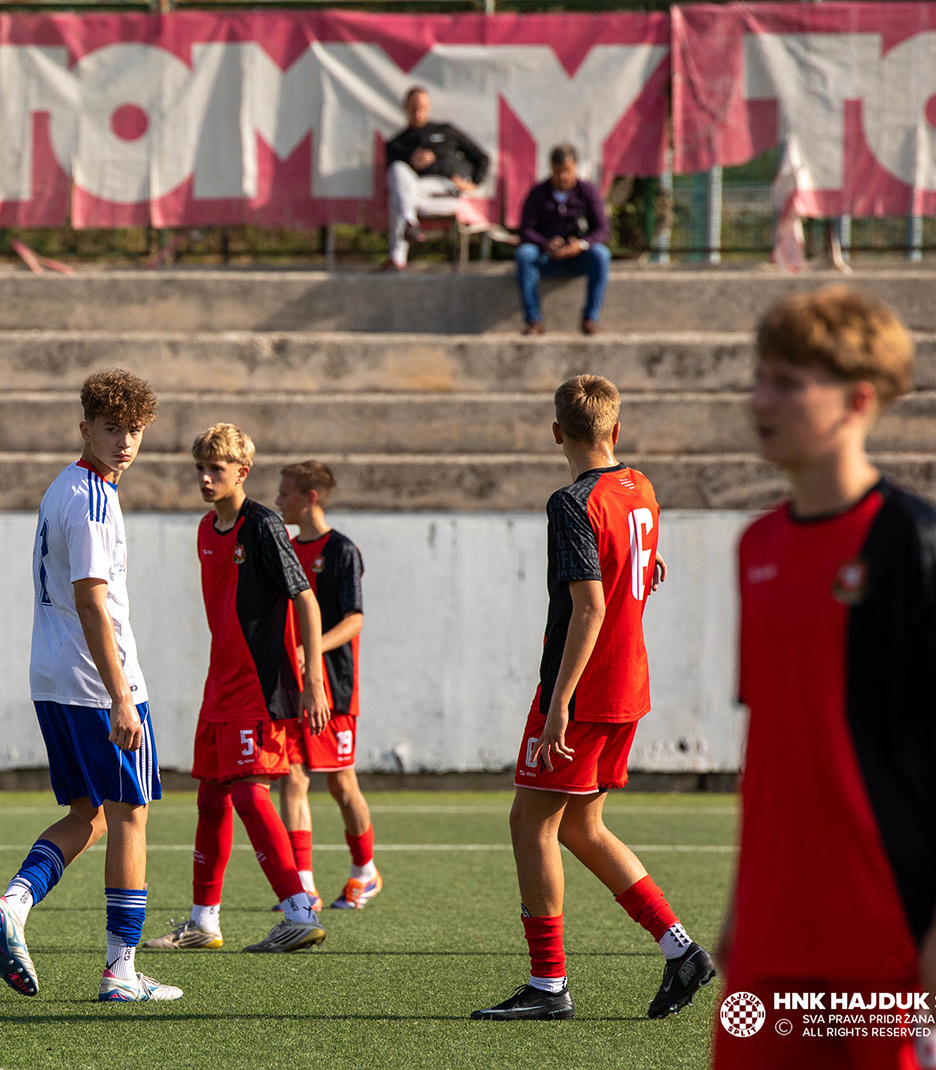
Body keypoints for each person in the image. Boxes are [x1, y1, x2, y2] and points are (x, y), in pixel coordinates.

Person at [714, 287, 936, 1069]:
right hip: (777, 938)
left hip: (900, 933)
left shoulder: (920, 542)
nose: (759, 399)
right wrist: (744, 907)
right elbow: (777, 745)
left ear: (855, 399)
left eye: (786, 382)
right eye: (759, 378)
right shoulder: (755, 548)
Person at [474, 374, 714, 1023]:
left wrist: (557, 707)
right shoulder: (639, 485)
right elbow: (636, 552)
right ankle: (680, 949)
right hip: (627, 683)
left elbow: (589, 606)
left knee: (529, 824)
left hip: (582, 689)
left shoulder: (568, 502)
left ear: (556, 433)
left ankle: (547, 987)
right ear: (616, 429)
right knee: (580, 825)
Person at [0, 369, 183, 1004]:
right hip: (98, 682)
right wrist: (121, 695)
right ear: (85, 428)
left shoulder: (63, 486)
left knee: (87, 817)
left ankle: (12, 905)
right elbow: (91, 599)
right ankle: (120, 972)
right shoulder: (93, 497)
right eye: (112, 428)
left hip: (54, 676)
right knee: (130, 816)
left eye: (134, 430)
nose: (124, 441)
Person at [144, 424, 331, 954]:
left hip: (259, 686)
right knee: (209, 798)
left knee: (250, 791)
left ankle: (298, 910)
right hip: (218, 686)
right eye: (200, 469)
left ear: (242, 473)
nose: (205, 478)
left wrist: (312, 683)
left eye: (216, 469)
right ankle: (204, 922)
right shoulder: (206, 529)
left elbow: (306, 601)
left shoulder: (265, 525)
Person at [272, 461, 381, 911]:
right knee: (293, 780)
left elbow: (353, 619)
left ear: (311, 496)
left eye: (285, 494)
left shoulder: (341, 551)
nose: (278, 502)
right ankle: (303, 887)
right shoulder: (288, 549)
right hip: (293, 689)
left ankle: (365, 871)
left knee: (340, 784)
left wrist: (311, 651)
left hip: (332, 688)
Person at [381, 85, 496, 272]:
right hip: (419, 196)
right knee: (397, 171)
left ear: (429, 107)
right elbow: (395, 180)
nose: (418, 111)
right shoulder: (397, 144)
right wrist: (411, 161)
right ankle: (409, 221)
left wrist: (472, 182)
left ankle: (399, 252)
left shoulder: (446, 131)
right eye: (414, 107)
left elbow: (482, 157)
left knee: (400, 199)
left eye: (422, 106)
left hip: (448, 191)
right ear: (405, 107)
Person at [514, 144, 611, 336]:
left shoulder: (588, 192)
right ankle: (534, 320)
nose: (563, 177)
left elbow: (603, 230)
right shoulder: (538, 193)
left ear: (575, 167)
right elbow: (525, 230)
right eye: (558, 172)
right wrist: (546, 244)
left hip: (578, 257)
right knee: (524, 254)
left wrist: (580, 245)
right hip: (546, 257)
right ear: (551, 168)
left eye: (567, 171)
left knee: (601, 255)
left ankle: (590, 319)